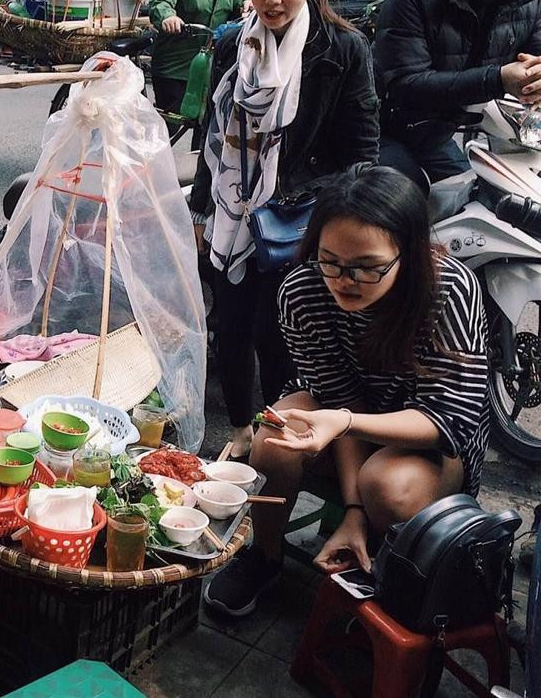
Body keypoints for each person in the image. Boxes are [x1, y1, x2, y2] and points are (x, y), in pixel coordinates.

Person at [203, 166, 490, 617]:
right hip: (340, 413)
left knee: (388, 486)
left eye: (368, 267)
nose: (344, 279)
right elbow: (339, 397)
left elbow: (448, 421)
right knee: (274, 438)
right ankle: (265, 556)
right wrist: (353, 503)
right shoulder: (302, 290)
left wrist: (346, 424)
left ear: (408, 253)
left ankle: (385, 578)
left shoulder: (447, 290)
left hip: (430, 437)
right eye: (330, 260)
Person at [188, 0, 379, 460]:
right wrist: (204, 210)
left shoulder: (343, 49)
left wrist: (303, 208)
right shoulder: (232, 44)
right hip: (232, 212)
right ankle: (242, 427)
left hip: (300, 222)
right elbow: (213, 135)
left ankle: (276, 427)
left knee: (279, 330)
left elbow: (363, 153)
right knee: (230, 323)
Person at [373, 0, 541, 190]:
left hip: (464, 130)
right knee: (409, 205)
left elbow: (534, 61)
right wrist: (499, 78)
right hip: (393, 129)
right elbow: (407, 86)